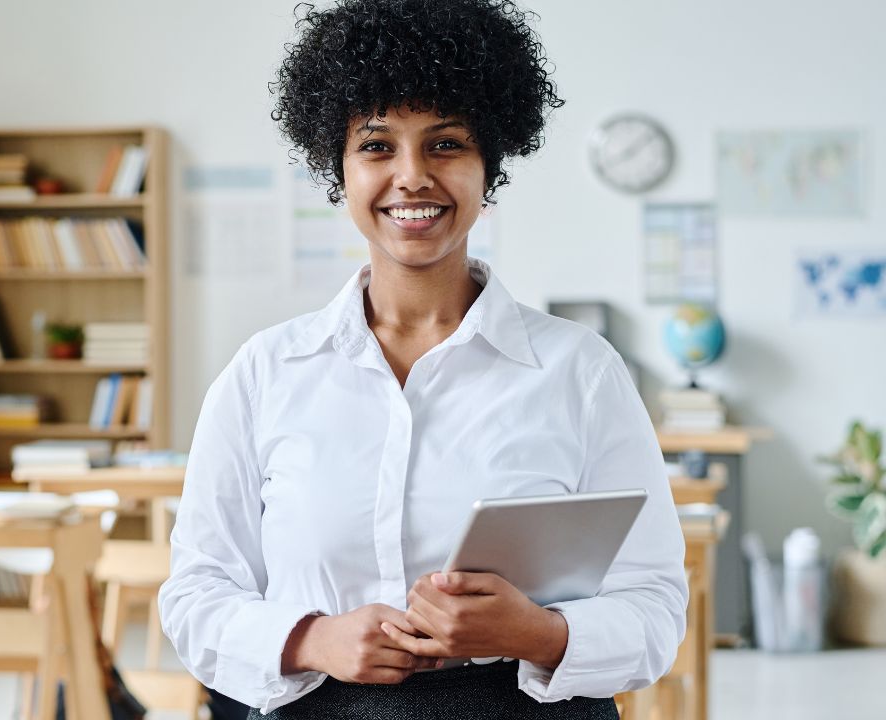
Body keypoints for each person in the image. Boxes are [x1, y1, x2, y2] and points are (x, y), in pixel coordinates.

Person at [159, 0, 688, 717]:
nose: (412, 176)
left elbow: (654, 609)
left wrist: (539, 631)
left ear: (487, 166)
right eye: (377, 146)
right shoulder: (265, 373)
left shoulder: (581, 372)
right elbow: (195, 600)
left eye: (445, 144)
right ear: (338, 167)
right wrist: (311, 638)